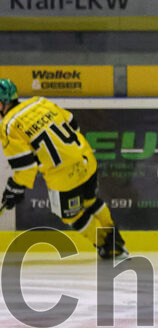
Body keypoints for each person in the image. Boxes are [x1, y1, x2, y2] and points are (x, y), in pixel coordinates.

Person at [0, 78, 127, 258]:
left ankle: (107, 245)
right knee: (91, 202)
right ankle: (115, 237)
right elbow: (72, 122)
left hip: (63, 176)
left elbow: (25, 165)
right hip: (85, 159)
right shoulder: (39, 102)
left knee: (71, 215)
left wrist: (14, 188)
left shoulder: (8, 126)